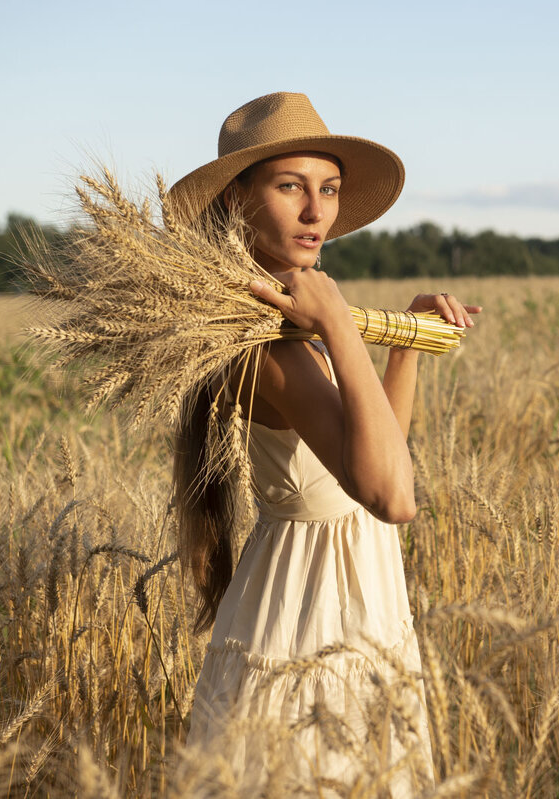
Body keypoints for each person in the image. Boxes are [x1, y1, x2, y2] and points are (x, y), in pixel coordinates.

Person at [169, 92, 479, 794]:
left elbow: (372, 457)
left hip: (350, 584)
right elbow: (393, 495)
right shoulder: (265, 340)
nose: (317, 212)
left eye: (329, 189)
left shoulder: (290, 318)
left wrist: (404, 344)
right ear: (235, 199)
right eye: (290, 187)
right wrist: (339, 322)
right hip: (314, 608)